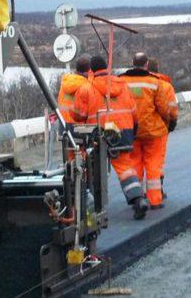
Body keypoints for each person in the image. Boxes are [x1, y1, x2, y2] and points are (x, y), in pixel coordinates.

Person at [73, 56, 147, 219]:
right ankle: (138, 199)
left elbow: (78, 115)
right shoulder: (123, 85)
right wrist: (133, 130)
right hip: (123, 132)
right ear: (106, 67)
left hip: (97, 134)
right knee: (125, 168)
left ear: (91, 70)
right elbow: (134, 112)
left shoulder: (86, 88)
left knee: (92, 170)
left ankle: (93, 208)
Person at [120, 53, 174, 210]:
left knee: (135, 164)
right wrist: (168, 123)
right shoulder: (154, 82)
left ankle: (138, 197)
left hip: (131, 131)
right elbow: (163, 108)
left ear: (132, 63)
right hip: (152, 132)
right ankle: (155, 200)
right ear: (146, 65)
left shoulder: (122, 81)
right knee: (153, 165)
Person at [147, 57, 178, 202]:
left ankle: (136, 194)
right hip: (160, 129)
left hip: (139, 129)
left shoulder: (137, 84)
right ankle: (157, 191)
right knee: (157, 160)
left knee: (138, 161)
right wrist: (171, 124)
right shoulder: (165, 86)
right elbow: (171, 109)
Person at [56, 56, 91, 125]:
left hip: (62, 123)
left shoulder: (66, 82)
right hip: (78, 126)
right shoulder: (85, 85)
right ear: (87, 72)